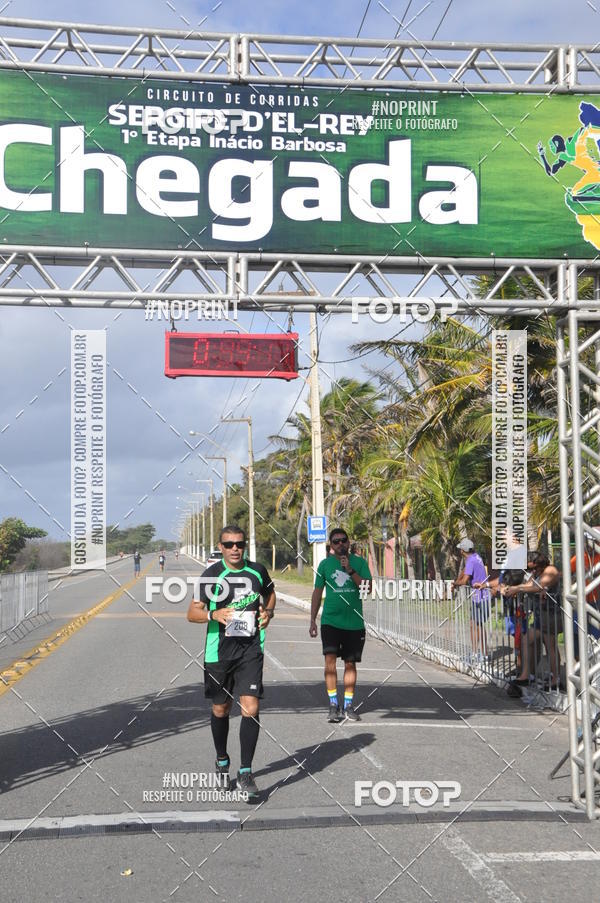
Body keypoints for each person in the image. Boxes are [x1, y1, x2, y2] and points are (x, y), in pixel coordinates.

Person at [187, 525, 276, 801]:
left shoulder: (258, 571)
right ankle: (222, 760)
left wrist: (268, 612)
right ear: (221, 546)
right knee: (221, 708)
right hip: (219, 653)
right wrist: (214, 614)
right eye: (229, 544)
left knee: (251, 706)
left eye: (239, 544)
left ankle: (246, 772)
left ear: (245, 545)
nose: (235, 548)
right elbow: (192, 613)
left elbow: (271, 594)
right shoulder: (211, 575)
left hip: (250, 649)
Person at [310, 528, 372, 722]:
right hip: (330, 621)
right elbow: (317, 592)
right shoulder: (325, 565)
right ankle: (333, 704)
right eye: (336, 542)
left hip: (354, 623)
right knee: (330, 661)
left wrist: (350, 570)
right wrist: (312, 619)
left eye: (343, 540)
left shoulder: (359, 563)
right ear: (331, 545)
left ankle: (348, 705)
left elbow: (367, 589)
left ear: (349, 542)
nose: (340, 544)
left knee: (350, 663)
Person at [504, 551, 562, 690]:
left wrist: (517, 588)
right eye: (530, 569)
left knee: (550, 646)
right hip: (539, 615)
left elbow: (538, 586)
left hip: (551, 614)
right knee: (527, 640)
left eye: (533, 568)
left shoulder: (550, 570)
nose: (531, 571)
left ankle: (556, 679)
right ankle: (526, 675)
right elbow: (528, 584)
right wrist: (513, 588)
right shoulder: (537, 572)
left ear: (540, 563)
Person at [453, 539, 491, 660]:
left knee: (479, 626)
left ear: (463, 550)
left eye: (460, 549)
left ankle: (484, 654)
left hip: (481, 596)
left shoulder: (471, 560)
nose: (460, 551)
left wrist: (455, 583)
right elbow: (465, 571)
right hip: (478, 596)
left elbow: (464, 581)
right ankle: (475, 653)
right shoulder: (476, 556)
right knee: (473, 624)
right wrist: (456, 581)